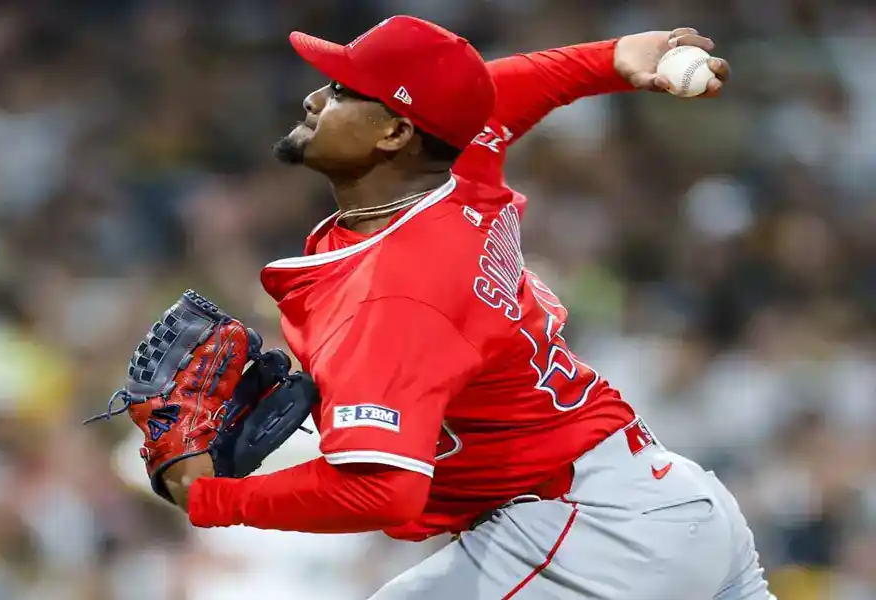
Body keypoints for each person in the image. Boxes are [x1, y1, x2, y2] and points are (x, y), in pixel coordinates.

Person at [160, 15, 773, 599]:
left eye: (344, 91)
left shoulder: (395, 291)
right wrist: (611, 59)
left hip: (587, 537)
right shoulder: (456, 167)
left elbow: (384, 491)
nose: (315, 100)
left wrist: (209, 498)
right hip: (662, 501)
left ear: (395, 133)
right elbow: (497, 94)